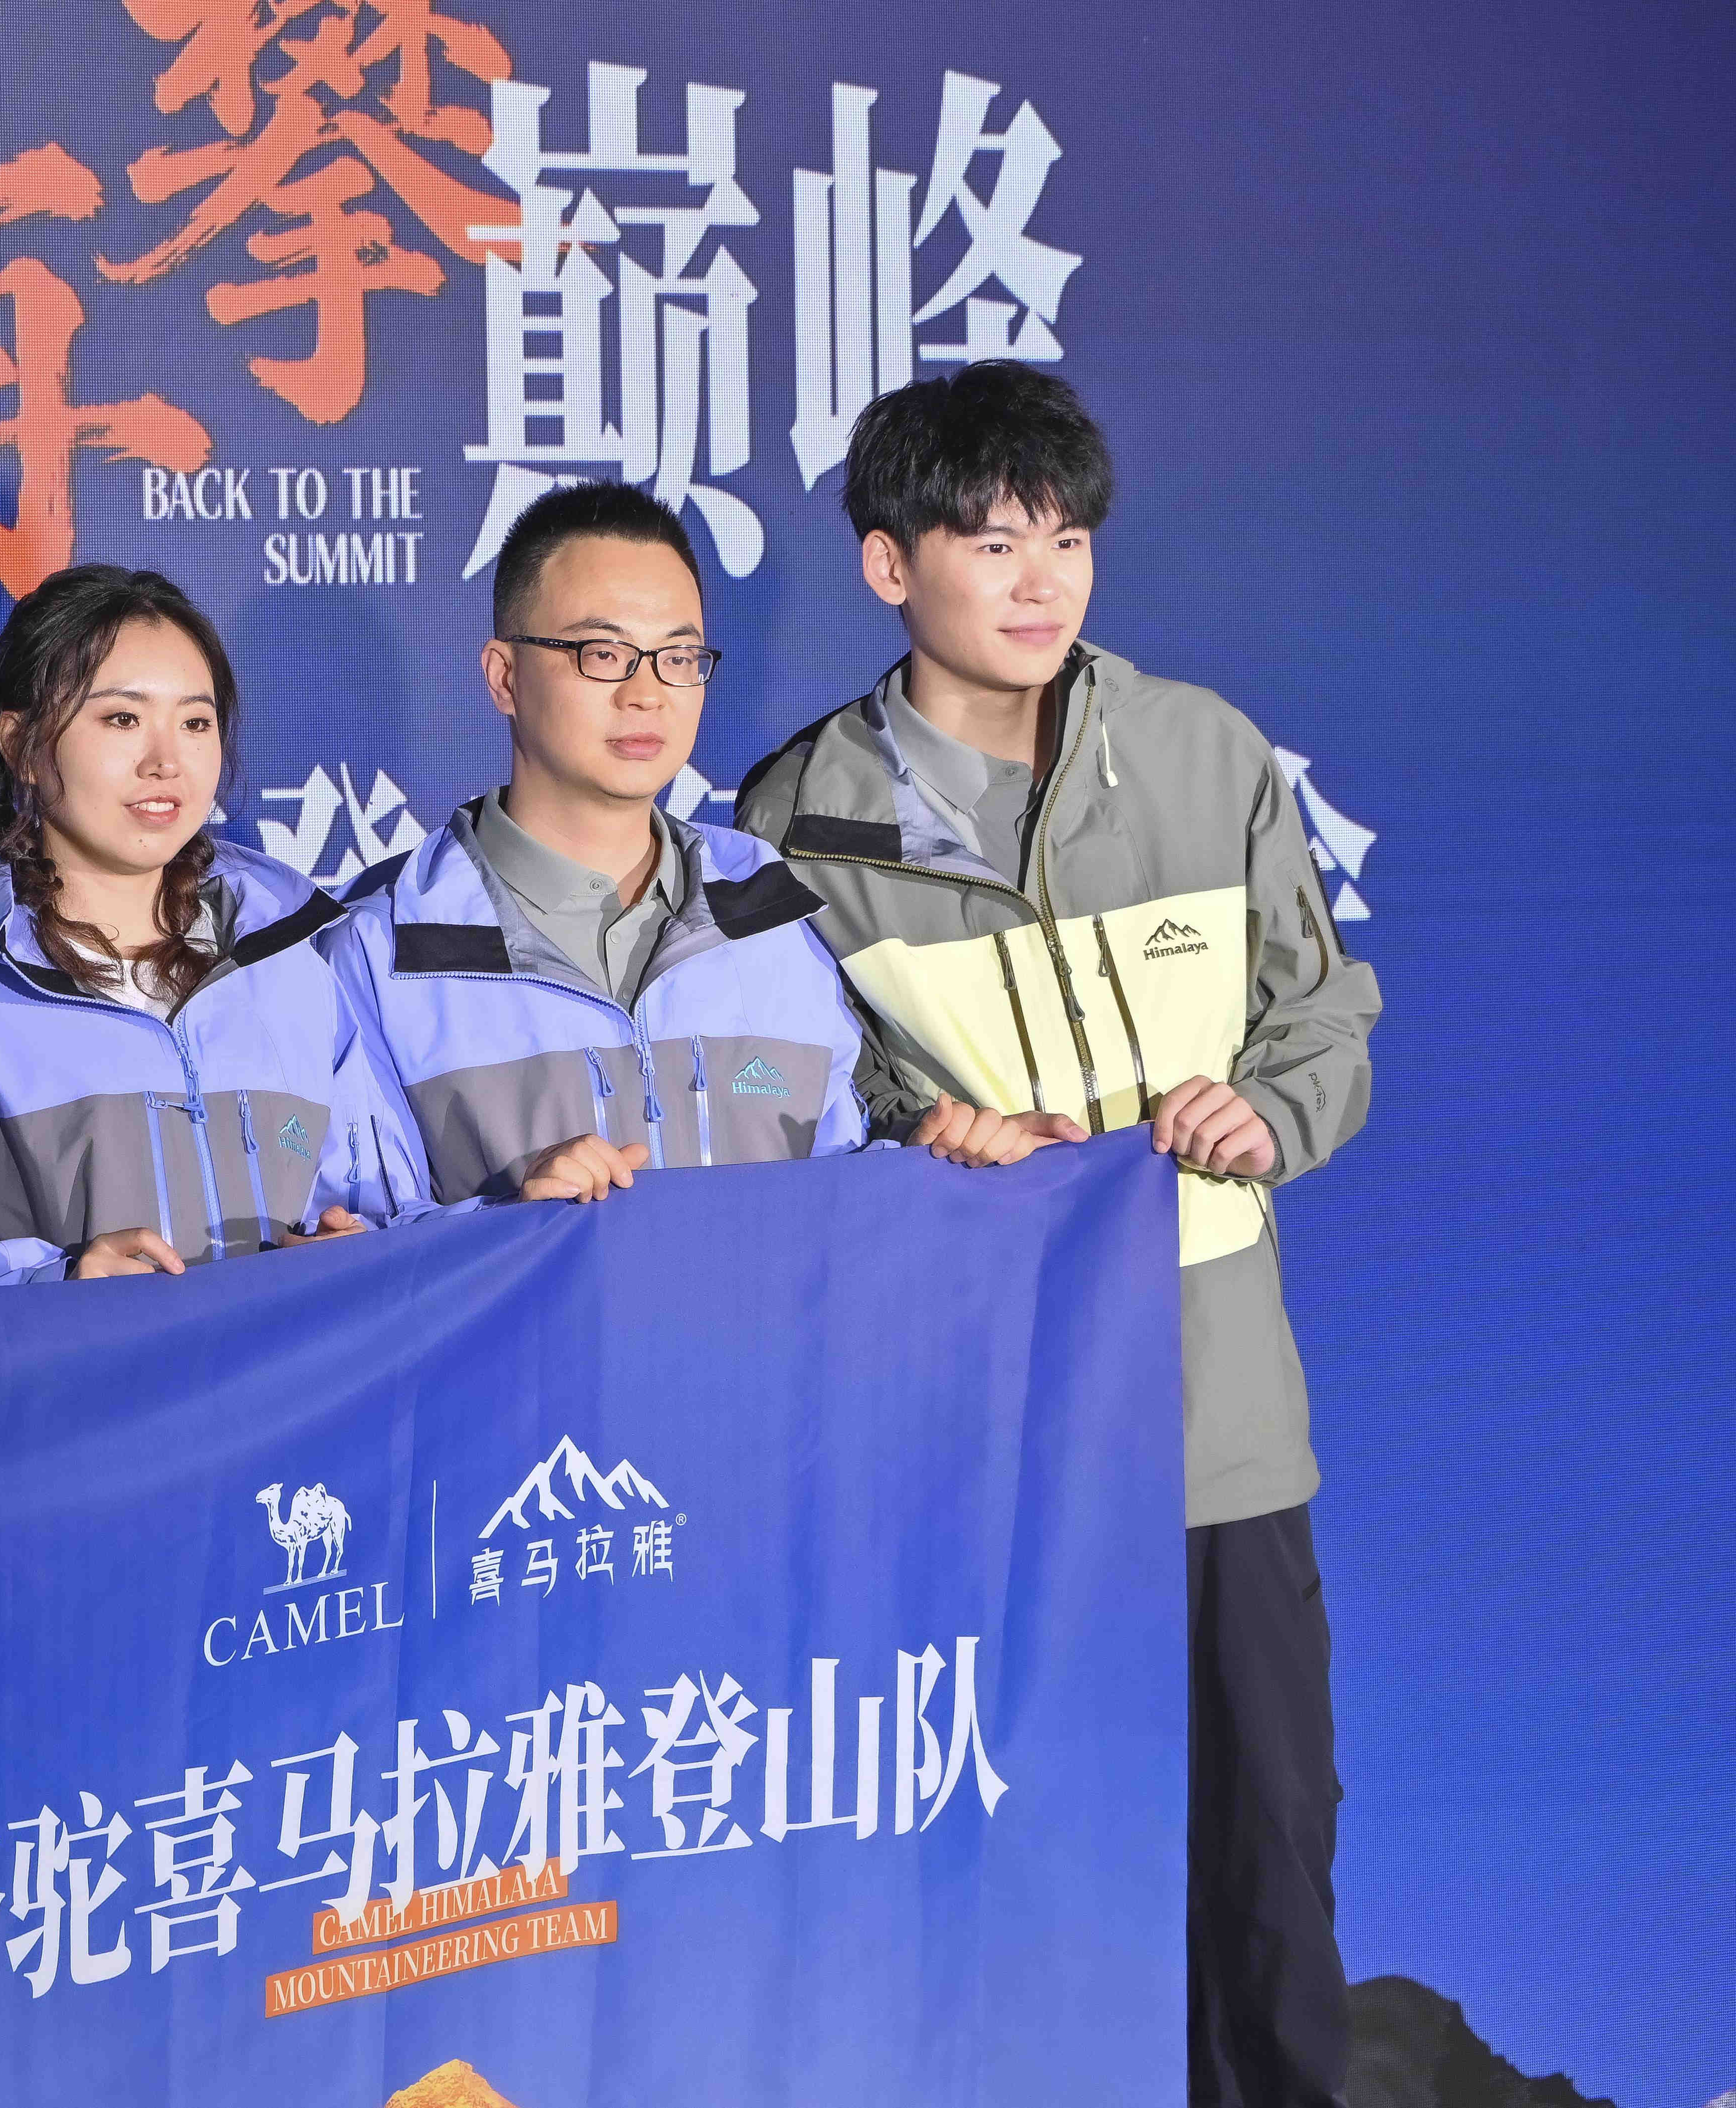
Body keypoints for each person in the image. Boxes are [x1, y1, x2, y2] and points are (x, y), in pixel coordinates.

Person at [732, 363, 1381, 2108]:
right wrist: (910, 1137)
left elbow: (1320, 1013)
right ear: (887, 565)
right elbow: (788, 1106)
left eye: (1067, 539)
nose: (1039, 581)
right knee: (1014, 1874)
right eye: (990, 539)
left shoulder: (1200, 753)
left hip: (1213, 1423)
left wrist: (1272, 1110)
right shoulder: (792, 824)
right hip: (972, 1441)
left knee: (1266, 1854)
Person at [327, 481, 903, 1206]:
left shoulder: (772, 915)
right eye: (603, 653)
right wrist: (511, 1220)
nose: (647, 693)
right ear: (504, 677)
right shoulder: (380, 951)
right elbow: (355, 1245)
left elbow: (843, 1200)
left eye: (679, 657)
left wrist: (946, 1159)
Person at [0, 563, 409, 1282]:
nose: (166, 761)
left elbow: (386, 1209)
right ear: (21, 744)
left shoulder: (294, 962)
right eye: (122, 719)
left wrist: (356, 1246)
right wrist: (63, 1283)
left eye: (195, 723)